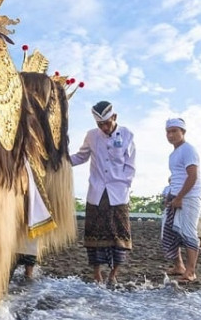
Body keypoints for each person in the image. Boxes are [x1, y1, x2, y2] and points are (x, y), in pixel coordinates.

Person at [70, 101, 136, 284]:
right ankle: (97, 273)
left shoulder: (127, 135)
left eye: (107, 123)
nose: (104, 127)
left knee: (120, 235)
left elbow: (130, 166)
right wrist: (61, 160)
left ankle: (113, 274)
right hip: (97, 191)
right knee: (94, 234)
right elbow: (81, 156)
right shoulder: (91, 136)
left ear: (115, 117)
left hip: (118, 193)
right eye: (100, 124)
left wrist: (124, 185)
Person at [162, 117, 201, 283]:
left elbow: (193, 176)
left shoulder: (188, 150)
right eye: (168, 132)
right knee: (170, 231)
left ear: (183, 132)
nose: (170, 135)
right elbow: (179, 176)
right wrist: (172, 193)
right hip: (176, 195)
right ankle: (179, 266)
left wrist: (180, 197)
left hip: (189, 197)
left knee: (188, 232)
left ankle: (191, 271)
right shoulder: (173, 154)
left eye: (174, 131)